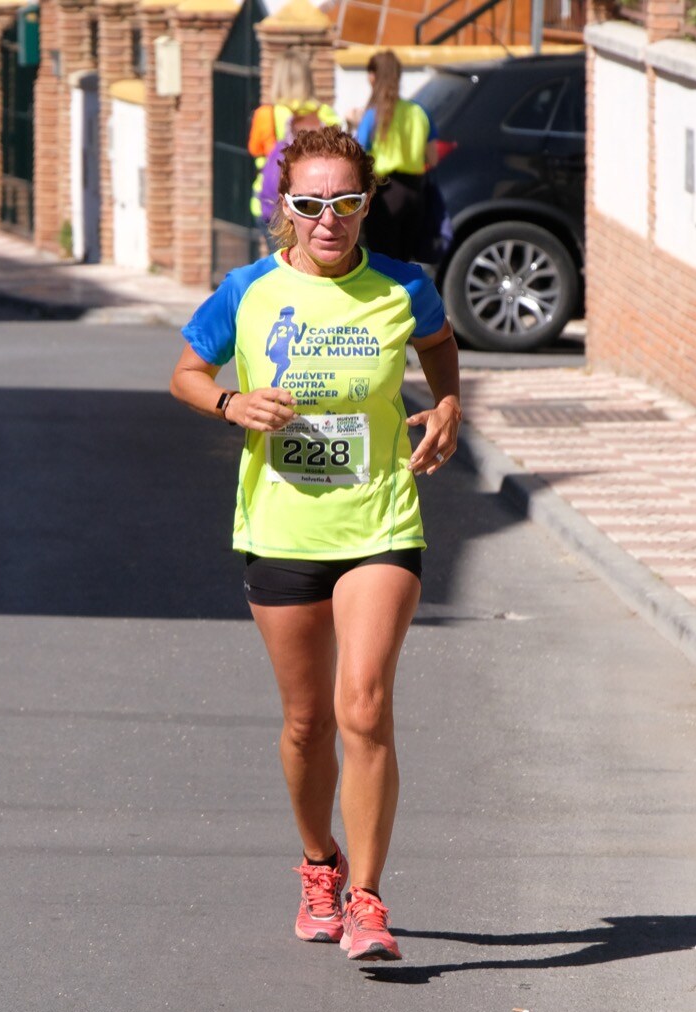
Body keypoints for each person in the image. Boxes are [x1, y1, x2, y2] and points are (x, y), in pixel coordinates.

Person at [169, 127, 462, 962]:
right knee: (306, 724)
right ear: (284, 209)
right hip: (282, 527)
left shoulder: (404, 287)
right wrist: (230, 405)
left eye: (344, 202)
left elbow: (441, 351)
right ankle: (319, 864)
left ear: (367, 203)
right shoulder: (248, 291)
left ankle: (368, 901)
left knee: (362, 705)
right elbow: (186, 372)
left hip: (379, 521)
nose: (327, 219)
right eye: (308, 203)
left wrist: (447, 407)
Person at [352, 50, 436, 262]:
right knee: (404, 260)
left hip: (385, 193)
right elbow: (432, 159)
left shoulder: (373, 115)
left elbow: (358, 154)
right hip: (415, 192)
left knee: (382, 261)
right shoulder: (419, 112)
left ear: (373, 77)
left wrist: (353, 124)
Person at [248, 50, 340, 242]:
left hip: (270, 202)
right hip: (314, 204)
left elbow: (255, 150)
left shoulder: (266, 114)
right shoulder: (325, 115)